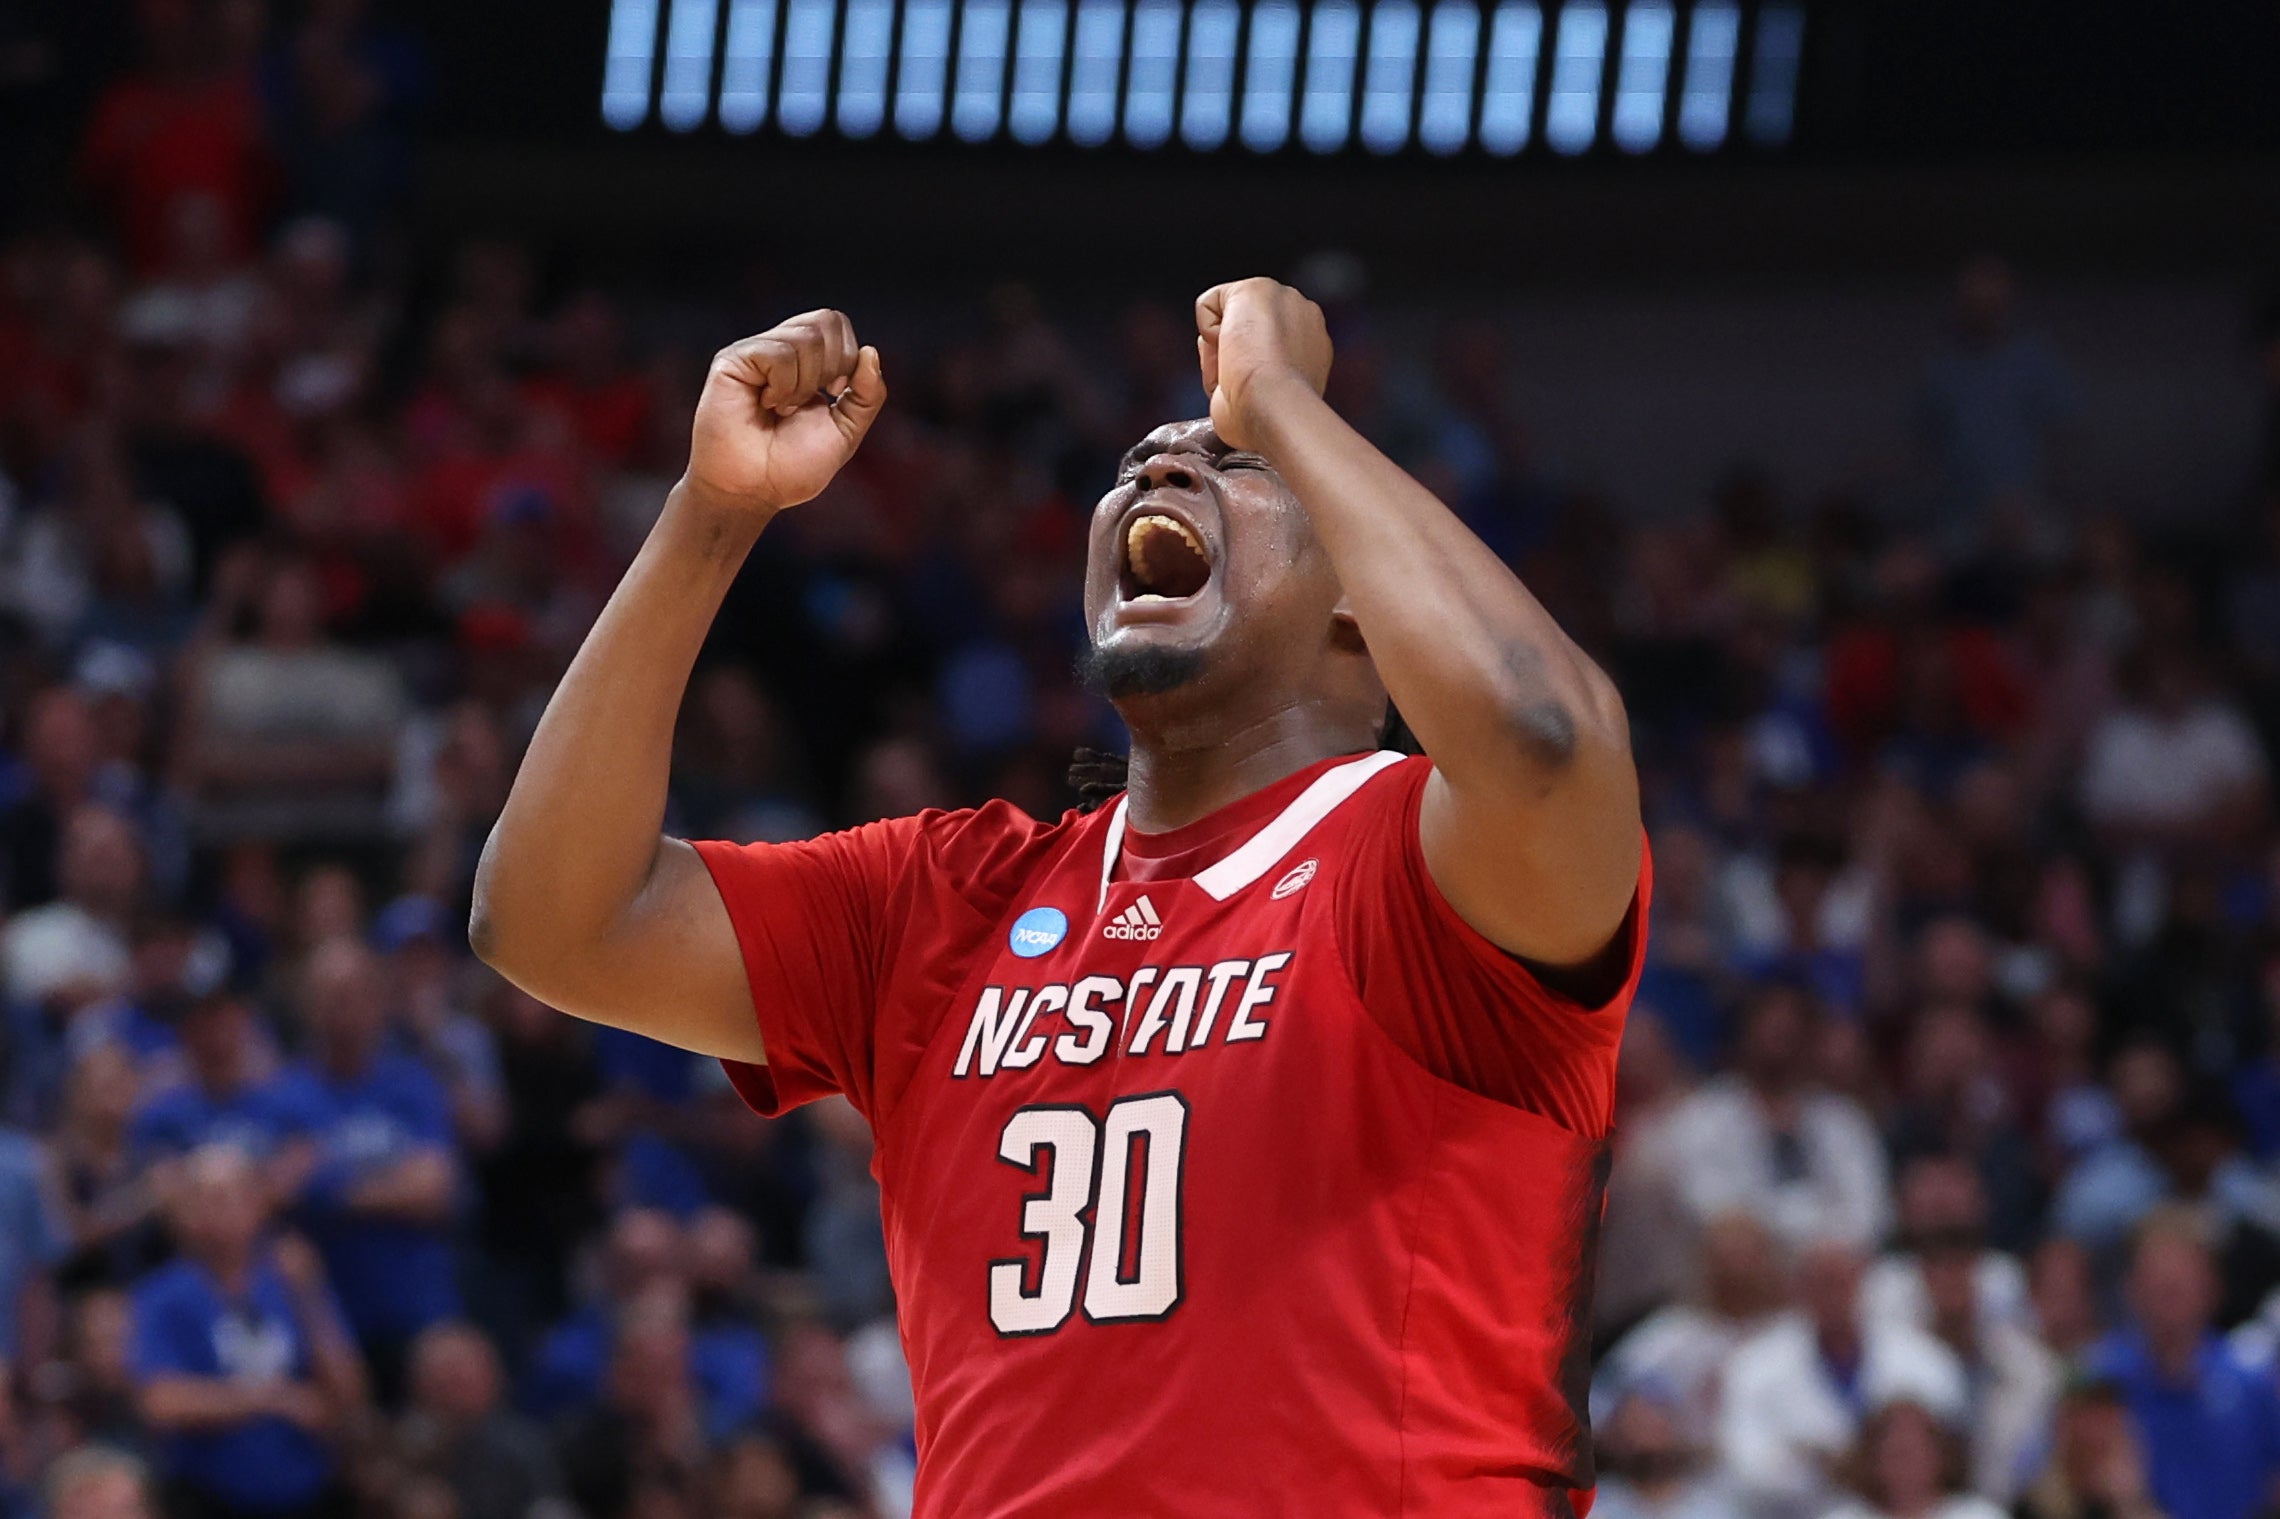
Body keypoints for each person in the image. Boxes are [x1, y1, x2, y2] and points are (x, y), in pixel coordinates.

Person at [472, 281, 1648, 1514]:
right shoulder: (946, 898)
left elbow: (1543, 735)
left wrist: (1286, 401)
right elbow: (553, 922)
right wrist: (713, 514)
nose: (1158, 468)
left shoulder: (1422, 864)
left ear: (1364, 587)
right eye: (1139, 458)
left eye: (1231, 464)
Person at [128, 1144, 366, 1519]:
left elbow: (349, 1396)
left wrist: (310, 1299)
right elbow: (162, 1401)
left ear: (260, 1204)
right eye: (202, 1200)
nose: (219, 1211)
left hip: (307, 1491)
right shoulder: (163, 1295)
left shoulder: (295, 1279)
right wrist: (275, 1399)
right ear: (184, 1215)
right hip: (209, 1496)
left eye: (231, 1196)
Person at [1718, 1240, 1966, 1519]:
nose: (1832, 1294)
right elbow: (1743, 1465)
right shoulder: (1755, 1367)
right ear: (1798, 1288)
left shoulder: (1925, 1360)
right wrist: (1817, 1466)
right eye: (1820, 1282)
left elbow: (1950, 1453)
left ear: (1862, 1281)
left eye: (1841, 1281)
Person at [2086, 1209, 2280, 1519]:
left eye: (2180, 1281)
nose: (2167, 1294)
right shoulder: (2101, 1379)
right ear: (2132, 1288)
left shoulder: (2253, 1382)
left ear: (2212, 1288)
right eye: (2157, 1281)